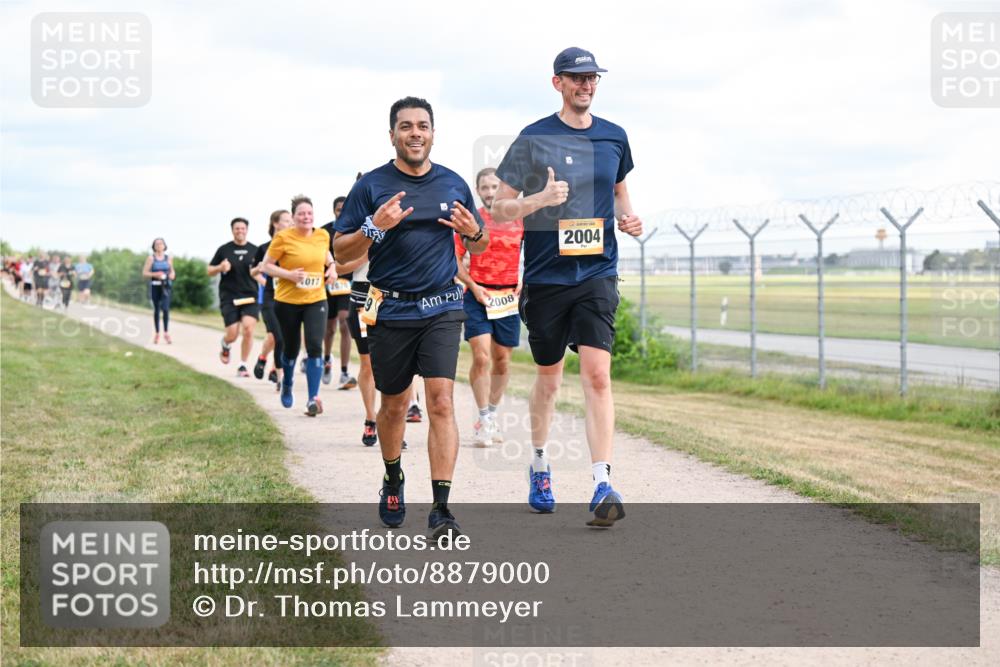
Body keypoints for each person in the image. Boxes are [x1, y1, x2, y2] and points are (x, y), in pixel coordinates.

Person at [492, 47, 643, 527]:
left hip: (597, 272)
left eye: (592, 78)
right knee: (550, 378)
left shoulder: (614, 136)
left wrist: (629, 219)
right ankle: (539, 462)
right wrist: (541, 198)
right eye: (577, 78)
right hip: (545, 277)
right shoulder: (533, 139)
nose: (587, 85)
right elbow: (500, 209)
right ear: (557, 83)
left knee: (598, 375)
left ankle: (601, 482)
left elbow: (619, 192)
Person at [334, 96, 489, 539]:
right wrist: (373, 227)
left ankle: (442, 509)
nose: (415, 133)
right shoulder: (372, 187)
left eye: (423, 125)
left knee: (441, 401)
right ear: (393, 136)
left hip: (441, 305)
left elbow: (478, 245)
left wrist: (473, 233)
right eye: (406, 126)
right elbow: (341, 255)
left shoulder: (454, 183)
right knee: (395, 404)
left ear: (433, 133)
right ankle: (393, 475)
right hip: (391, 307)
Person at [455, 167, 524, 445]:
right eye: (484, 187)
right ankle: (483, 419)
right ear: (478, 190)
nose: (490, 192)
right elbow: (455, 261)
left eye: (495, 187)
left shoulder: (519, 219)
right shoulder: (471, 222)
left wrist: (525, 279)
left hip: (508, 298)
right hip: (477, 295)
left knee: (502, 362)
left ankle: (492, 415)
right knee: (481, 357)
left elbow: (535, 254)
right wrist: (473, 286)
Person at [262, 195, 336, 416]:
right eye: (302, 214)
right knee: (291, 348)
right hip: (287, 302)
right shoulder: (283, 238)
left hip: (316, 299)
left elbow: (325, 255)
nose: (306, 217)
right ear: (293, 218)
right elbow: (266, 266)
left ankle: (313, 398)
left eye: (310, 213)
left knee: (315, 346)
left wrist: (332, 267)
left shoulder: (322, 235)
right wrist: (289, 275)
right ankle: (287, 383)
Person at [208, 218, 259, 377]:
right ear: (232, 230)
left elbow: (264, 268)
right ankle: (226, 344)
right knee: (232, 334)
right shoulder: (224, 250)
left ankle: (243, 365)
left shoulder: (255, 250)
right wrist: (220, 267)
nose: (240, 231)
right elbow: (209, 270)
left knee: (249, 329)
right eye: (237, 229)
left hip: (250, 295)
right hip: (229, 296)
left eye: (242, 228)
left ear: (247, 230)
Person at [250, 210, 292, 387]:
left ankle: (271, 365)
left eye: (291, 221)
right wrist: (262, 274)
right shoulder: (263, 248)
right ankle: (279, 377)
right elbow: (253, 271)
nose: (290, 224)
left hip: (288, 297)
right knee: (276, 337)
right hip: (269, 298)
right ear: (275, 223)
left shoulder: (293, 248)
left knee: (282, 338)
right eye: (286, 221)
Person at [321, 196, 358, 390]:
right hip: (328, 283)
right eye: (338, 209)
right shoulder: (324, 231)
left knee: (345, 322)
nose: (342, 212)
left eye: (345, 209)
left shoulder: (356, 229)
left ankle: (344, 371)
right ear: (333, 211)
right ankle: (326, 359)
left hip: (347, 283)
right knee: (329, 328)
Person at [143, 238, 175, 344]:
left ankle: (166, 333)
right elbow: (145, 273)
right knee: (157, 309)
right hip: (155, 286)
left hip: (165, 286)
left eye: (161, 243)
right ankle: (157, 333)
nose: (159, 245)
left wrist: (171, 275)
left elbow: (172, 272)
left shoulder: (168, 258)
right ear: (154, 246)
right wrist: (155, 274)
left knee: (165, 309)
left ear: (164, 246)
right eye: (157, 244)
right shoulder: (151, 258)